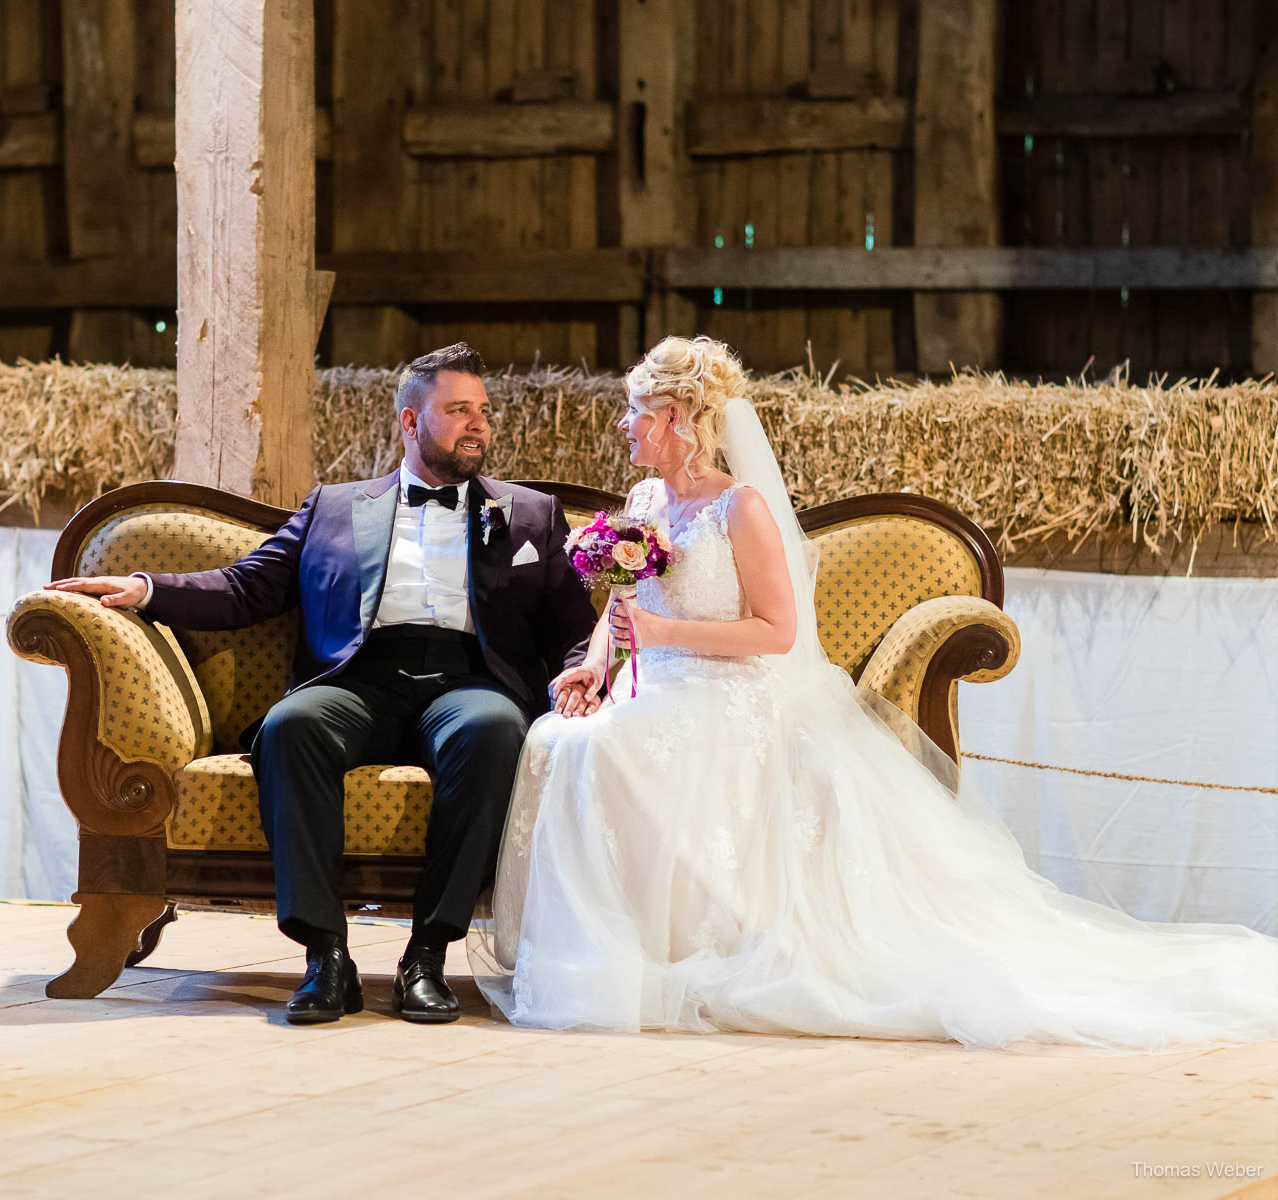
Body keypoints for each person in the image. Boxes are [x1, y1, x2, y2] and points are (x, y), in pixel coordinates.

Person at [473, 334, 1278, 1052]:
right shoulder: (645, 503)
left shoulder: (738, 509)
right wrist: (595, 666)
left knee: (607, 747)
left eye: (636, 413)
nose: (624, 427)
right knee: (557, 736)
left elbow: (776, 633)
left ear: (680, 415)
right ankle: (607, 958)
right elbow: (625, 599)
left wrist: (666, 639)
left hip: (732, 690)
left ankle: (662, 961)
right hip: (659, 684)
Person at [50, 343, 598, 1025]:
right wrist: (146, 587)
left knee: (493, 733)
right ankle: (325, 955)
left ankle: (427, 954)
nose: (478, 424)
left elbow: (574, 624)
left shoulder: (530, 515)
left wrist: (585, 669)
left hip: (470, 681)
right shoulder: (333, 508)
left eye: (483, 411)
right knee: (292, 727)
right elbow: (246, 588)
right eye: (458, 411)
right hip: (359, 677)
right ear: (409, 421)